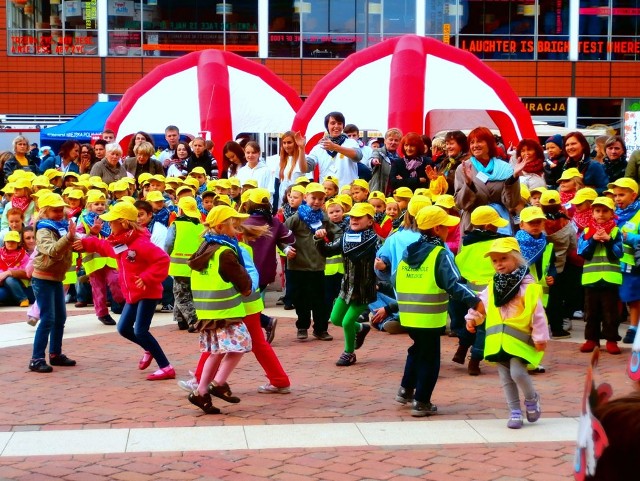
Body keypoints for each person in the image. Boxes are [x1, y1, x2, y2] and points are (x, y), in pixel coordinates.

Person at [395, 205, 482, 417]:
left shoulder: (409, 252)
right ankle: (421, 401)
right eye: (445, 226)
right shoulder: (439, 253)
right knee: (429, 358)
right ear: (436, 229)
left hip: (408, 314)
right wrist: (475, 301)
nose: (448, 230)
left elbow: (395, 279)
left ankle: (406, 389)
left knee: (417, 349)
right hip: (429, 317)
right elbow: (454, 282)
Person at [75, 202, 175, 381]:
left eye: (111, 221)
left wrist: (146, 277)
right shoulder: (121, 241)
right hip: (133, 294)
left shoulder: (140, 243)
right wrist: (85, 243)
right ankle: (148, 348)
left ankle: (166, 367)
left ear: (123, 223)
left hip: (147, 292)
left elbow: (162, 260)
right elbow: (105, 247)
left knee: (141, 331)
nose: (108, 224)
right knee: (123, 328)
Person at [465, 237, 548, 429]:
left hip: (519, 340)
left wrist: (540, 337)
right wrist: (472, 318)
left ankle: (531, 399)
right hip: (497, 341)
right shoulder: (493, 285)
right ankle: (515, 412)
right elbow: (482, 304)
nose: (499, 264)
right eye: (494, 260)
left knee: (518, 373)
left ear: (516, 259)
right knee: (505, 377)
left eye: (503, 259)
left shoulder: (528, 286)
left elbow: (538, 314)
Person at [186, 205, 253, 414]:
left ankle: (202, 391)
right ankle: (218, 383)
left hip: (208, 313)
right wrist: (247, 289)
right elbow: (242, 279)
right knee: (240, 346)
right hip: (226, 313)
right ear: (222, 226)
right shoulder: (225, 251)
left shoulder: (204, 247)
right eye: (234, 223)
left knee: (215, 353)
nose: (238, 227)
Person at [318, 202, 378, 366]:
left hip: (363, 290)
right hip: (346, 288)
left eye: (359, 217)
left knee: (346, 322)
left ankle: (349, 353)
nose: (353, 219)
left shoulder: (375, 240)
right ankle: (361, 328)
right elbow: (328, 250)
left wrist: (380, 274)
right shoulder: (345, 236)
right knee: (335, 319)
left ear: (370, 221)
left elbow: (383, 262)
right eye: (352, 216)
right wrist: (318, 239)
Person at [452, 205, 509, 375]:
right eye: (495, 223)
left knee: (470, 323)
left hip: (468, 289)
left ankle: (461, 350)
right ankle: (475, 360)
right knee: (484, 327)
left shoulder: (467, 241)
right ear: (487, 226)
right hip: (489, 291)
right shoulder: (498, 242)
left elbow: (460, 263)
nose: (498, 226)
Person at [284, 182, 340, 341]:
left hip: (318, 267)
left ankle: (320, 329)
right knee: (300, 300)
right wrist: (287, 249)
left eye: (320, 198)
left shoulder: (324, 218)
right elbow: (281, 236)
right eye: (313, 198)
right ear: (305, 197)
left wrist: (331, 246)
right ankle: (302, 327)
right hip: (297, 267)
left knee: (320, 301)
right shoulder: (295, 218)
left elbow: (338, 233)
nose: (316, 201)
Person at [29, 193, 77, 373]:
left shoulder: (61, 226)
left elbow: (69, 243)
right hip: (43, 278)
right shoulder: (43, 229)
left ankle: (55, 354)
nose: (59, 214)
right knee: (48, 318)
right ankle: (36, 358)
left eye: (61, 210)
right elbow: (52, 251)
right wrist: (69, 238)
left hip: (56, 277)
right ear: (44, 211)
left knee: (60, 318)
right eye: (55, 210)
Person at [241, 188, 295, 343]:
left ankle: (265, 323)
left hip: (245, 271)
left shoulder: (242, 222)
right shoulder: (274, 222)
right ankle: (261, 326)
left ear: (249, 204)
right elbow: (290, 238)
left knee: (244, 304)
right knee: (250, 303)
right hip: (266, 271)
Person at [454, 127, 525, 234]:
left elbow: (511, 203)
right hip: (474, 225)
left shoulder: (505, 168)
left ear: (490, 144)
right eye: (472, 142)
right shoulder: (464, 168)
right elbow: (461, 204)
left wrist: (514, 178)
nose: (475, 145)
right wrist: (468, 184)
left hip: (500, 223)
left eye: (480, 141)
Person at [577, 197, 623, 354]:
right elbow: (582, 253)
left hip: (611, 278)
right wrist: (594, 240)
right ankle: (592, 339)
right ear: (592, 213)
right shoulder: (587, 231)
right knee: (591, 311)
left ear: (612, 213)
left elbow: (618, 253)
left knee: (611, 312)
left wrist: (609, 241)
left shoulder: (616, 231)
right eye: (597, 211)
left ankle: (611, 339)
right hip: (591, 278)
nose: (601, 214)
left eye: (605, 211)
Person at [77, 190, 125, 326]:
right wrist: (91, 233)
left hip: (109, 257)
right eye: (96, 204)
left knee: (115, 280)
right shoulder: (84, 221)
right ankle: (102, 313)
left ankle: (122, 301)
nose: (100, 206)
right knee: (98, 288)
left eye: (102, 204)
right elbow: (80, 237)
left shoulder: (110, 219)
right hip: (93, 259)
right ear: (89, 206)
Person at [609, 177, 640, 344]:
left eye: (621, 195)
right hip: (612, 263)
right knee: (615, 297)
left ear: (633, 196)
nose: (617, 199)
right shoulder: (612, 213)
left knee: (633, 297)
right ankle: (612, 327)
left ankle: (633, 327)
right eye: (615, 195)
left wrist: (632, 238)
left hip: (632, 264)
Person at [165, 196, 204, 331]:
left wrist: (166, 255)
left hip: (179, 267)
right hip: (195, 266)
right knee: (186, 293)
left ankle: (194, 320)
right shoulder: (200, 226)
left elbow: (168, 243)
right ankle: (181, 320)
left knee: (181, 295)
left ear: (180, 210)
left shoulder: (176, 225)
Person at [306, 111, 362, 188]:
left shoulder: (351, 142)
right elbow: (307, 168)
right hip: (327, 194)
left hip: (348, 193)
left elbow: (358, 156)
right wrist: (301, 148)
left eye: (339, 123)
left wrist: (335, 147)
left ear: (343, 126)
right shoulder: (319, 147)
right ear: (327, 126)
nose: (336, 126)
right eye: (333, 123)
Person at [274, 131, 307, 209]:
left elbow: (308, 184)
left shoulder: (302, 159)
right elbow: (277, 185)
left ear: (295, 143)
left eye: (289, 142)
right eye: (284, 143)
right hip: (282, 204)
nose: (286, 146)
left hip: (299, 205)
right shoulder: (280, 161)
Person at [0, 230, 31, 306]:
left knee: (9, 279)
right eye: (8, 242)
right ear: (4, 242)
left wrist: (8, 273)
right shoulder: (1, 253)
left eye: (13, 242)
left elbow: (26, 272)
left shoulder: (23, 254)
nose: (10, 244)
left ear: (18, 243)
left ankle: (23, 299)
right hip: (1, 281)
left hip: (18, 282)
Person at [369, 128, 402, 196]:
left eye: (396, 140)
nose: (393, 142)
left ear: (399, 142)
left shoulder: (399, 159)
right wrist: (374, 161)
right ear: (385, 141)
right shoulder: (378, 151)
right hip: (378, 190)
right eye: (391, 139)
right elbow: (373, 158)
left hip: (392, 192)